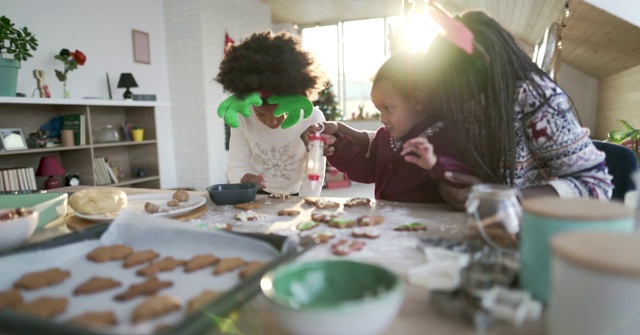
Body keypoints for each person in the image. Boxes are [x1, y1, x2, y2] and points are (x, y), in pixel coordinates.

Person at [401, 10, 612, 209]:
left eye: (456, 95)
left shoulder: (534, 98)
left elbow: (596, 185)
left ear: (479, 77)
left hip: (534, 229)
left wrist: (498, 197)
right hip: (490, 225)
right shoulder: (465, 101)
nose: (453, 106)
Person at [303, 51, 469, 203]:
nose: (382, 119)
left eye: (388, 108)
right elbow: (367, 171)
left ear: (417, 100)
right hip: (388, 223)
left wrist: (435, 163)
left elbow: (460, 178)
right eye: (379, 110)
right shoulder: (384, 137)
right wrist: (336, 146)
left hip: (422, 227)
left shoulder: (444, 137)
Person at [215, 31, 327, 196]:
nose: (272, 121)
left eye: (280, 114)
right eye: (261, 115)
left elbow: (314, 173)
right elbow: (236, 165)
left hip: (297, 194)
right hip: (257, 194)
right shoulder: (242, 116)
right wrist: (243, 178)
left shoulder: (313, 118)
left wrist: (305, 203)